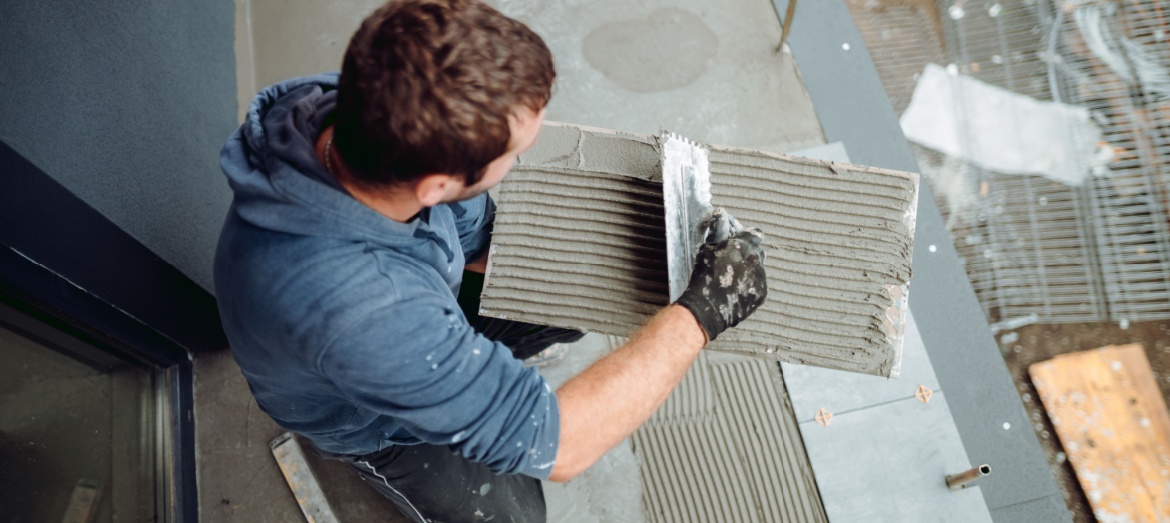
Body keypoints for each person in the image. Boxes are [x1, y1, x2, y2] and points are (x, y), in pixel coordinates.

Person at [213, 0, 768, 521]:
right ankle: (410, 451)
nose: (522, 156)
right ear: (437, 184)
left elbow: (473, 232)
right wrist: (702, 312)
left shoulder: (357, 107)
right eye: (514, 154)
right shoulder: (365, 312)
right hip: (374, 419)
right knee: (515, 513)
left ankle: (488, 377)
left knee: (572, 301)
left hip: (410, 299)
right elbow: (564, 443)